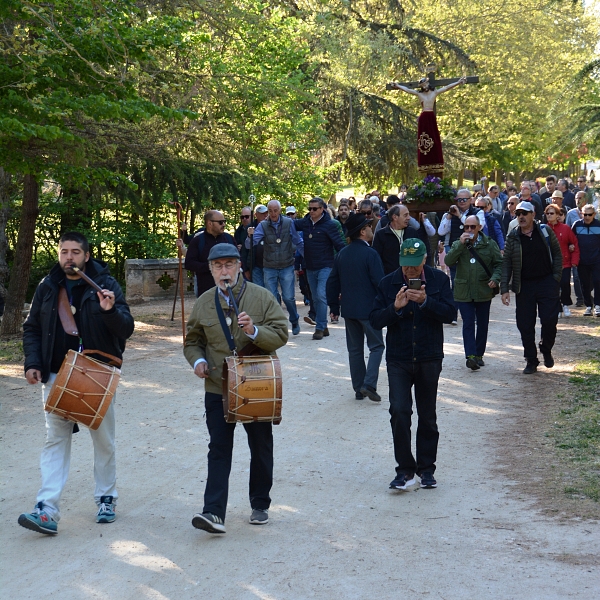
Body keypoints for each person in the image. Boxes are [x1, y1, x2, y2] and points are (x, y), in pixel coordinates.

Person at [19, 232, 134, 535]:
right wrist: (32, 363)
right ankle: (46, 509)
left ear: (86, 255)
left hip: (95, 374)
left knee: (103, 439)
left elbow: (126, 328)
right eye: (64, 252)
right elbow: (31, 328)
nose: (69, 257)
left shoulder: (107, 285)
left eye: (75, 252)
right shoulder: (47, 287)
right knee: (55, 440)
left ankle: (106, 498)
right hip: (55, 373)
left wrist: (110, 312)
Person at [184, 243, 288, 534]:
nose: (224, 271)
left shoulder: (261, 297)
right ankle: (213, 513)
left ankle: (260, 503)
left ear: (239, 266)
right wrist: (198, 361)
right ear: (211, 269)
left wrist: (254, 331)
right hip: (218, 385)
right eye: (218, 266)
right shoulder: (204, 302)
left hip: (256, 383)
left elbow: (281, 334)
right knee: (218, 447)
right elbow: (192, 340)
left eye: (229, 264)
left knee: (260, 444)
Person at [370, 238, 456, 491]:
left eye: (414, 267)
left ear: (424, 261)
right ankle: (405, 469)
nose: (409, 272)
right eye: (405, 266)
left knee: (427, 416)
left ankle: (427, 469)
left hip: (429, 356)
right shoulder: (388, 283)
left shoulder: (439, 280)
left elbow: (451, 314)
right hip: (399, 358)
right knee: (399, 412)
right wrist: (395, 308)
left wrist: (425, 302)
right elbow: (375, 320)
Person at [327, 213, 385, 401]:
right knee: (376, 346)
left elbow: (332, 282)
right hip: (369, 309)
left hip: (350, 309)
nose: (371, 229)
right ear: (362, 231)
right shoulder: (370, 253)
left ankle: (358, 388)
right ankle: (369, 384)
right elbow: (379, 283)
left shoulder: (343, 253)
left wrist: (334, 307)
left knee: (355, 349)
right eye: (368, 226)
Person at [501, 202, 563, 374]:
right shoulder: (512, 237)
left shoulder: (545, 231)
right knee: (525, 324)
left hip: (546, 282)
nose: (521, 216)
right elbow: (506, 263)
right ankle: (531, 359)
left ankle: (546, 348)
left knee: (550, 321)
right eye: (518, 213)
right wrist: (504, 288)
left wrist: (556, 278)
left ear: (533, 215)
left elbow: (557, 254)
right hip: (524, 285)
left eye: (525, 213)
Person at [444, 216, 502, 370]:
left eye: (472, 227)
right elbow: (449, 261)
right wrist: (460, 246)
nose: (469, 230)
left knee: (482, 324)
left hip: (483, 289)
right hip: (464, 290)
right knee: (468, 323)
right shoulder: (459, 243)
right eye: (466, 227)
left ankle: (479, 355)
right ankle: (470, 356)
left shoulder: (489, 244)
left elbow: (499, 264)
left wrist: (495, 279)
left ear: (479, 227)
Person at [389, 76, 467, 176]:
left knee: (434, 138)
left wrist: (458, 82)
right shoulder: (419, 94)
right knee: (424, 139)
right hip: (424, 117)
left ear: (428, 84)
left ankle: (435, 159)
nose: (424, 86)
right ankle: (426, 160)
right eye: (422, 85)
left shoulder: (434, 93)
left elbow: (447, 87)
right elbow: (408, 90)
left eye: (425, 84)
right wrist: (398, 86)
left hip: (430, 116)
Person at [248, 200, 303, 335]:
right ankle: (278, 324)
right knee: (272, 298)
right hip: (269, 267)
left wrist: (306, 258)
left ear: (280, 210)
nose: (273, 213)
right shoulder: (263, 226)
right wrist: (249, 235)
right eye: (270, 211)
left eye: (275, 210)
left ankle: (294, 318)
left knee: (288, 297)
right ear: (268, 211)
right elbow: (250, 245)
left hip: (286, 265)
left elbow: (298, 241)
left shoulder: (289, 223)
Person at [294, 197, 346, 340]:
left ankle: (320, 328)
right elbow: (290, 224)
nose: (311, 211)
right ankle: (324, 325)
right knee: (315, 298)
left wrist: (347, 260)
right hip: (310, 266)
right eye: (309, 208)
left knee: (321, 295)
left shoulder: (329, 225)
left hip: (326, 266)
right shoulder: (305, 223)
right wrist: (273, 218)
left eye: (314, 209)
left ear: (322, 209)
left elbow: (340, 245)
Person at [437, 188, 484, 290]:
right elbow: (441, 232)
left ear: (471, 200)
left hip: (473, 248)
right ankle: (456, 301)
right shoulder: (448, 214)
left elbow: (480, 226)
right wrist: (449, 216)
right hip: (455, 248)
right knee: (455, 277)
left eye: (464, 199)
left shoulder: (478, 212)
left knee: (471, 274)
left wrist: (459, 215)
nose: (462, 202)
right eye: (459, 200)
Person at [185, 210, 236, 297]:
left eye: (224, 222)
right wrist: (210, 266)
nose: (224, 225)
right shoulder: (198, 241)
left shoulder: (229, 239)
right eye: (220, 222)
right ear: (210, 223)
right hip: (206, 290)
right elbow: (189, 264)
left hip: (229, 290)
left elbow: (238, 260)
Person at [544, 203, 579, 317]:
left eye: (551, 213)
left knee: (564, 284)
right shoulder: (544, 229)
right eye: (547, 213)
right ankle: (557, 308)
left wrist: (575, 260)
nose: (549, 215)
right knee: (554, 286)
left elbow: (574, 243)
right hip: (550, 264)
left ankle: (565, 305)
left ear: (557, 215)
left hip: (565, 263)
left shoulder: (565, 228)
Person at [373, 204, 428, 274]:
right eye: (405, 215)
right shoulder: (381, 235)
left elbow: (421, 253)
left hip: (410, 276)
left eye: (409, 215)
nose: (409, 218)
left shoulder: (412, 232)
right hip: (390, 278)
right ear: (395, 217)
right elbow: (377, 260)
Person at [572, 205, 600, 317]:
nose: (587, 217)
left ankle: (598, 305)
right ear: (581, 214)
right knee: (584, 284)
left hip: (597, 260)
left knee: (598, 281)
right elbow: (571, 239)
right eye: (585, 214)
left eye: (589, 214)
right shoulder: (577, 225)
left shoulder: (599, 225)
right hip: (582, 260)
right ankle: (588, 306)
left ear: (594, 215)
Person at [235, 206, 252, 278]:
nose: (244, 219)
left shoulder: (258, 228)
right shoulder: (238, 232)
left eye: (247, 217)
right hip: (244, 266)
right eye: (242, 217)